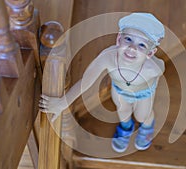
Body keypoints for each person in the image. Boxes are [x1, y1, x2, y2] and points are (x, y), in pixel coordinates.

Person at [39, 13, 165, 153]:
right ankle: (125, 127)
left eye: (142, 45)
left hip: (143, 93)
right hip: (120, 90)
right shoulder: (107, 58)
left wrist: (150, 91)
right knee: (123, 111)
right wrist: (62, 103)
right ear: (118, 39)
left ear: (150, 53)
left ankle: (147, 127)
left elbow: (158, 75)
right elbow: (86, 82)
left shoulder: (153, 68)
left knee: (143, 115)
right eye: (128, 39)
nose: (132, 48)